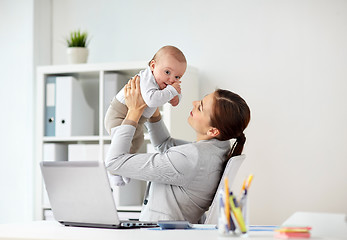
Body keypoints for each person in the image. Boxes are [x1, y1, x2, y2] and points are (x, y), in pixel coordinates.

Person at [105, 77, 251, 224]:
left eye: (200, 107)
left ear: (213, 130)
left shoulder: (192, 158)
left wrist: (134, 112)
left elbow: (114, 163)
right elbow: (165, 144)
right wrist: (152, 106)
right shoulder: (219, 147)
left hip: (162, 233)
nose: (194, 103)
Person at [105, 45, 187, 186]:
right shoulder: (146, 79)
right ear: (153, 66)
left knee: (137, 142)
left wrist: (176, 98)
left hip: (138, 120)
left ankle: (124, 169)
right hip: (119, 114)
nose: (171, 79)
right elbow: (152, 100)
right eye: (167, 72)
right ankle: (113, 172)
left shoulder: (165, 84)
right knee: (121, 144)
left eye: (177, 76)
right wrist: (172, 92)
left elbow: (174, 95)